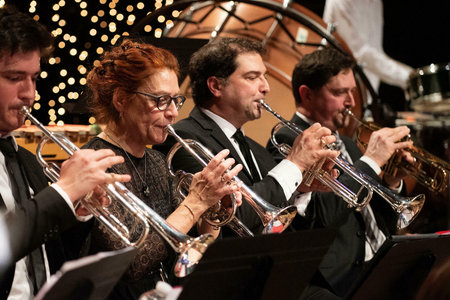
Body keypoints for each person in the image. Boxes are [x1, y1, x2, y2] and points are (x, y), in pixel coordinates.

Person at [69, 39, 243, 299]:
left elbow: (182, 253)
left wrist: (212, 211)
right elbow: (134, 264)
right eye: (161, 100)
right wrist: (196, 202)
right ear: (121, 100)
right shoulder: (94, 165)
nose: (173, 112)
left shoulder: (158, 161)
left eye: (176, 100)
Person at [0, 5, 130, 298]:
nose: (29, 94)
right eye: (13, 78)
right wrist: (63, 191)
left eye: (33, 78)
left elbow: (47, 256)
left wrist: (77, 209)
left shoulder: (23, 158)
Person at [266, 47, 414, 298]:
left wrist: (392, 179)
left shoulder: (350, 146)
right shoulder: (288, 141)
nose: (351, 103)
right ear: (307, 94)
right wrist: (371, 160)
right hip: (336, 279)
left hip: (381, 263)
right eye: (339, 92)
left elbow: (385, 221)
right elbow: (324, 215)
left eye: (352, 92)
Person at [153, 37, 339, 235]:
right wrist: (294, 164)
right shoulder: (183, 138)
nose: (265, 87)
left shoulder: (256, 150)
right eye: (252, 77)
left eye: (264, 76)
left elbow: (284, 228)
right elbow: (232, 218)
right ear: (216, 86)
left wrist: (301, 188)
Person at [323, 0, 413, 111]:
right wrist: (407, 77)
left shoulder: (376, 2)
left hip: (368, 99)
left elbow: (376, 51)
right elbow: (359, 53)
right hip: (341, 100)